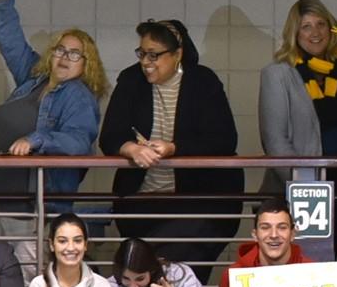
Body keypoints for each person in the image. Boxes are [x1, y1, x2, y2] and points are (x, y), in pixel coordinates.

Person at [102, 19, 242, 264]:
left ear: (177, 54)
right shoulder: (130, 80)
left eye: (154, 55)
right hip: (143, 201)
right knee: (151, 269)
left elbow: (224, 139)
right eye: (142, 54)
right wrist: (131, 148)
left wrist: (173, 149)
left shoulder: (203, 81)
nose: (146, 62)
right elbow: (110, 136)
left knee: (167, 268)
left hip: (196, 203)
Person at [0, 0, 104, 204]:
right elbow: (12, 42)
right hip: (0, 192)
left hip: (36, 203)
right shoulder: (36, 77)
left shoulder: (78, 95)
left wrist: (37, 140)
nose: (65, 57)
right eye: (60, 50)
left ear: (86, 65)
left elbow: (78, 142)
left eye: (75, 54)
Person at [258, 0, 337, 256]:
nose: (315, 33)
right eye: (306, 26)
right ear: (294, 32)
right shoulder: (279, 73)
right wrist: (302, 188)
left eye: (321, 24)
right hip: (303, 184)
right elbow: (275, 140)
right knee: (307, 260)